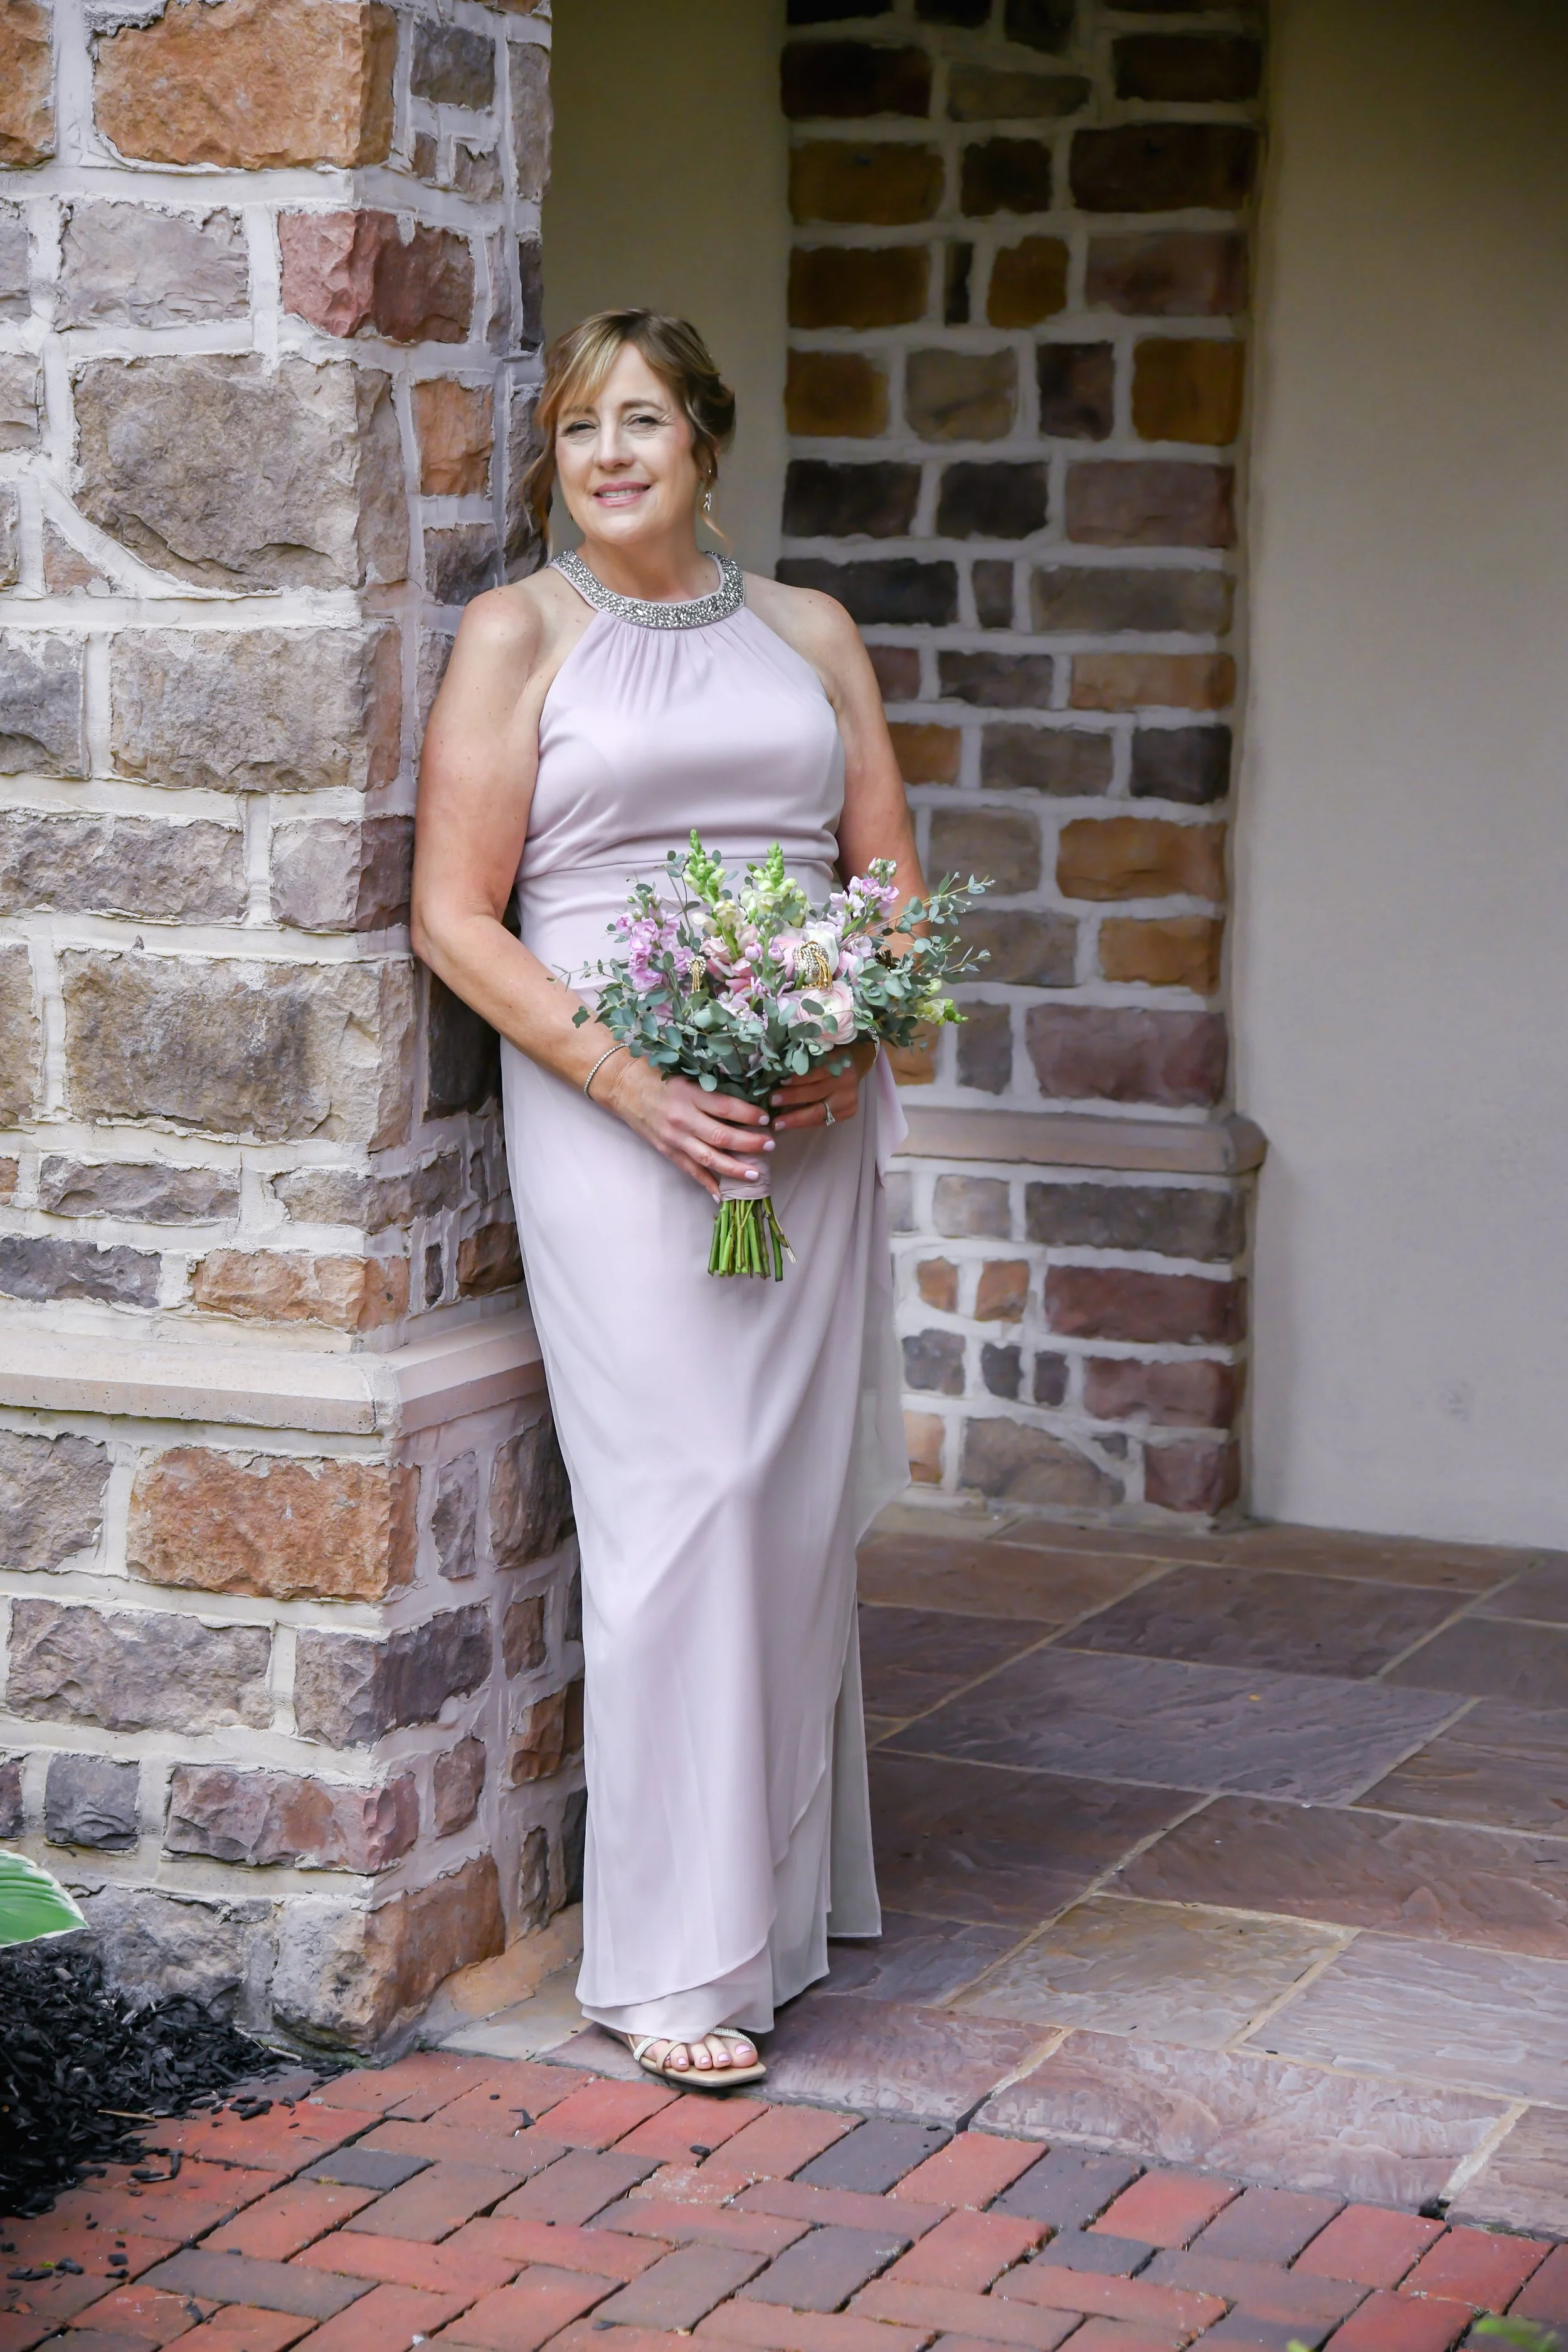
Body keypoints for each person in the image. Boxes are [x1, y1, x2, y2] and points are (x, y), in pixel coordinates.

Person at [412, 309, 923, 2089]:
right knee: (684, 1498)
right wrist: (633, 1080)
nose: (610, 455)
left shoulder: (811, 631)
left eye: (641, 421)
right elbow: (455, 913)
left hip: (801, 1114)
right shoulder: (516, 633)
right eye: (577, 430)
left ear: (705, 441)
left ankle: (771, 1899)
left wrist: (847, 1037)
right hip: (608, 1109)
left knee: (782, 1505)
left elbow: (884, 882)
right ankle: (669, 1964)